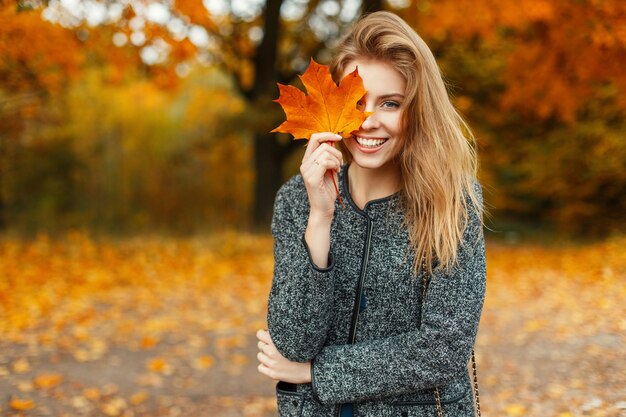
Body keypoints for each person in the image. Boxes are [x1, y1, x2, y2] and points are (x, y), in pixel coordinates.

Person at [256, 11, 486, 417]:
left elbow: (443, 347)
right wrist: (319, 219)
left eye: (391, 103)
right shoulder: (296, 199)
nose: (369, 121)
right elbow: (291, 342)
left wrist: (316, 372)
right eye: (358, 103)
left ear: (417, 110)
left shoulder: (453, 203)